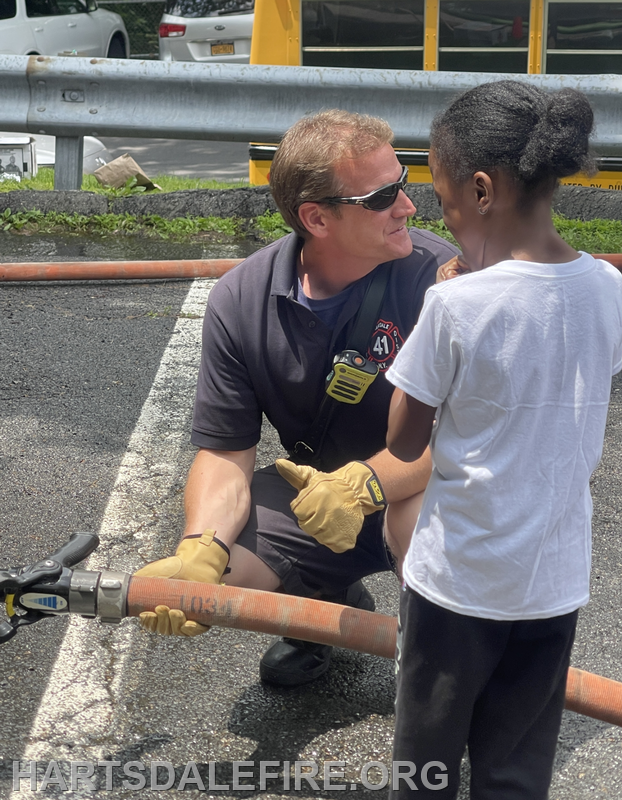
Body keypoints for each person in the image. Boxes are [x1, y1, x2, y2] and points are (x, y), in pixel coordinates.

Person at [134, 109, 459, 686]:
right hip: (315, 501)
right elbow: (226, 454)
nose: (408, 206)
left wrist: (364, 486)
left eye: (404, 182)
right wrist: (199, 549)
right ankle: (329, 604)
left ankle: (446, 680)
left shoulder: (441, 280)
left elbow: (469, 436)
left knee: (418, 528)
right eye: (384, 196)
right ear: (317, 218)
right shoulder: (241, 300)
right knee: (219, 578)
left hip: (423, 491)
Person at [385, 80, 622, 799]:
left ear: (482, 191)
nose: (443, 216)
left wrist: (451, 301)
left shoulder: (455, 301)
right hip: (552, 581)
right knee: (516, 770)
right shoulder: (609, 290)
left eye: (447, 200)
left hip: (457, 584)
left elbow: (402, 439)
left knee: (426, 765)